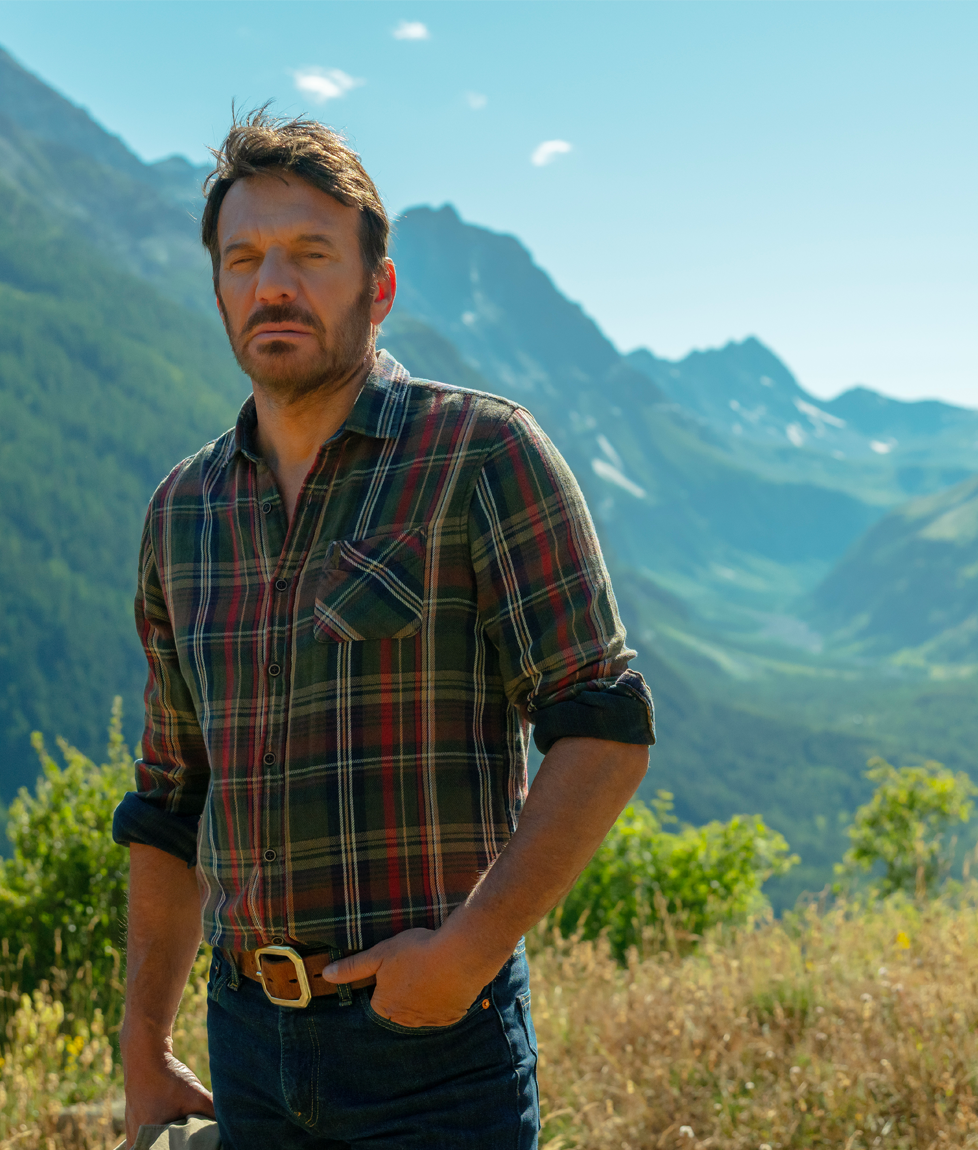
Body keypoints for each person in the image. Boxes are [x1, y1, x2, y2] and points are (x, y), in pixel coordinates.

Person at [112, 109, 655, 1150]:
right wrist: (144, 1039)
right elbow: (171, 797)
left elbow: (605, 723)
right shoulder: (182, 511)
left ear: (380, 286)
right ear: (221, 288)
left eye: (311, 255)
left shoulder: (482, 455)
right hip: (246, 1043)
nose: (275, 283)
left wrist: (465, 955)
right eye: (246, 258)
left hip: (431, 1053)